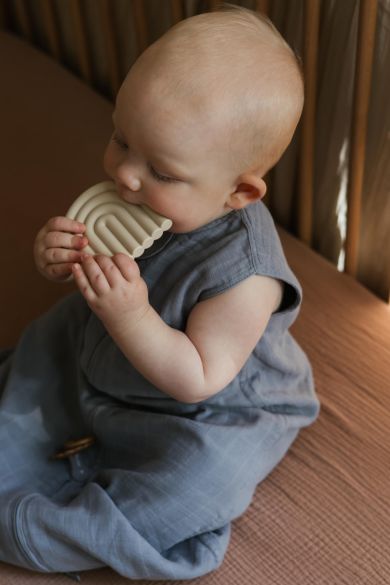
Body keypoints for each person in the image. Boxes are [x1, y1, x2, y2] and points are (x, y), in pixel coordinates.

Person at [0, 4, 319, 580]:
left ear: (238, 192)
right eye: (121, 138)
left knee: (195, 484)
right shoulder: (146, 188)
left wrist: (129, 316)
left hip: (201, 406)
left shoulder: (246, 277)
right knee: (39, 356)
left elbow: (198, 376)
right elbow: (93, 254)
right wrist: (57, 255)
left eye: (162, 171)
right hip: (104, 348)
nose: (125, 176)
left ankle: (36, 528)